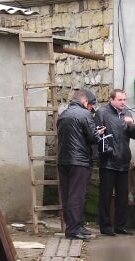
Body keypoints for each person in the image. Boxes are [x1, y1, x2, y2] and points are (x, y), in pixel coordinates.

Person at [57, 90, 105, 240]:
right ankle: (73, 229)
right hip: (79, 161)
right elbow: (92, 137)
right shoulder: (85, 115)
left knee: (68, 194)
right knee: (77, 195)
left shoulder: (63, 114)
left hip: (63, 160)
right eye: (91, 105)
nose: (92, 109)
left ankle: (76, 225)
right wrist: (99, 133)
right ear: (85, 102)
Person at [94, 89, 135, 236]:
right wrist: (108, 151)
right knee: (106, 196)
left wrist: (131, 125)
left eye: (125, 100)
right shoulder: (102, 113)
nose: (123, 103)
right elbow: (98, 134)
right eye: (120, 100)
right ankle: (105, 226)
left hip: (123, 161)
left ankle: (121, 225)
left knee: (122, 196)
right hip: (108, 161)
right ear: (111, 100)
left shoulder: (127, 114)